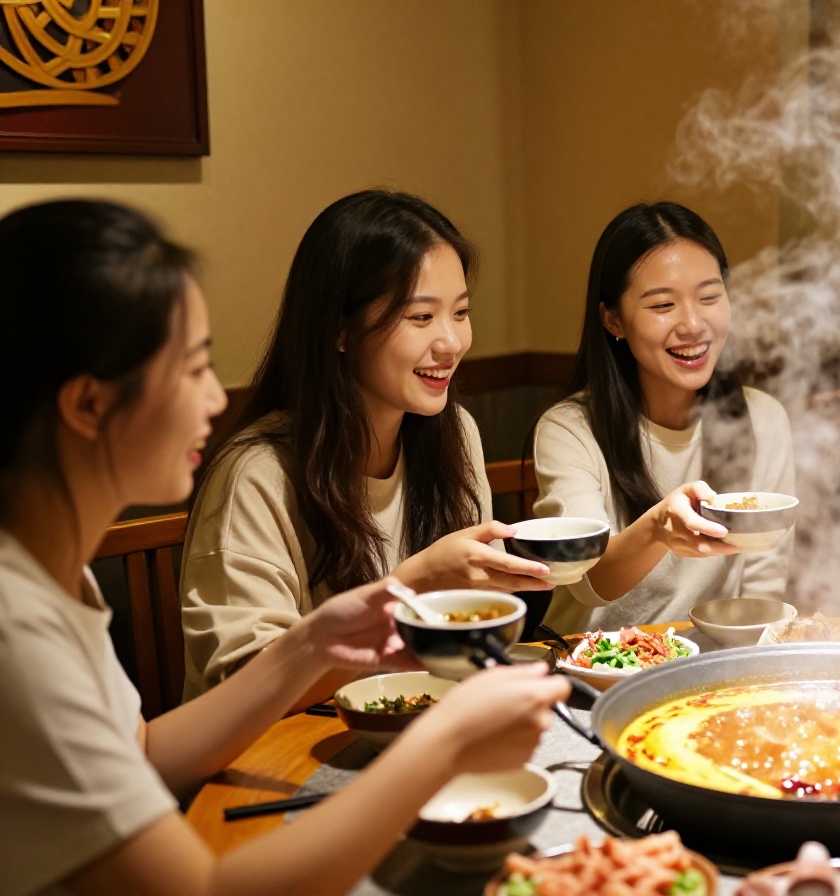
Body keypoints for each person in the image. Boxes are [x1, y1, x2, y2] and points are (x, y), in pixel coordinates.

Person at [0, 199, 569, 896]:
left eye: (459, 311)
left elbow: (142, 751)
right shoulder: (16, 633)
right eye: (192, 367)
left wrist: (313, 646)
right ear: (88, 406)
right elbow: (207, 890)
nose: (215, 399)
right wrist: (441, 744)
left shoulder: (51, 580)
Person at [181, 191, 551, 701]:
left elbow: (468, 627)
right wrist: (409, 586)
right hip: (285, 756)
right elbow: (241, 685)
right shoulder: (258, 472)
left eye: (461, 313)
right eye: (421, 318)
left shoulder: (454, 434)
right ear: (339, 330)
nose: (451, 343)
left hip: (424, 727)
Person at [531, 202, 794, 633]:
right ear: (613, 319)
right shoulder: (570, 430)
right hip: (586, 668)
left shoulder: (763, 419)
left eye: (709, 297)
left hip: (705, 667)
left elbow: (763, 588)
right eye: (662, 305)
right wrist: (658, 529)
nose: (693, 324)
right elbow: (589, 581)